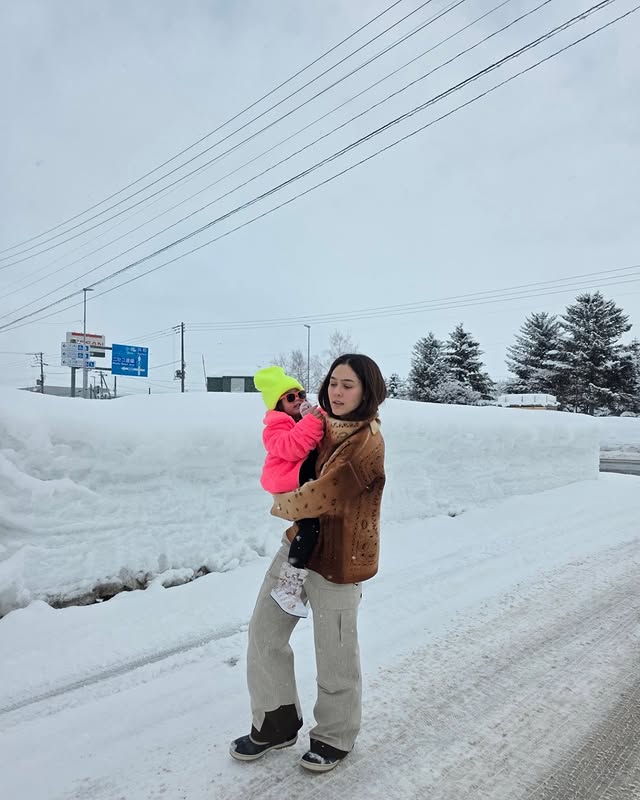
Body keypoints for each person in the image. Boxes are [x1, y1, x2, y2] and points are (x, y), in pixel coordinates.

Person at [231, 354, 387, 773]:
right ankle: (276, 722)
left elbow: (322, 495)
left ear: (367, 391)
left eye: (348, 385)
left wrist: (279, 503)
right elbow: (285, 451)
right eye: (333, 382)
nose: (337, 392)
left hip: (340, 558)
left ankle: (335, 736)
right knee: (264, 634)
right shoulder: (319, 425)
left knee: (335, 654)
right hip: (298, 548)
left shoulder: (366, 443)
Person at [253, 366, 325, 618]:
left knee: (315, 526)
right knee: (309, 527)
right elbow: (293, 447)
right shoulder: (274, 427)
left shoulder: (300, 420)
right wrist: (313, 421)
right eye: (290, 397)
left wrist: (318, 416)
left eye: (301, 394)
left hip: (301, 481)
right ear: (278, 405)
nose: (298, 400)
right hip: (285, 483)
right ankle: (287, 588)